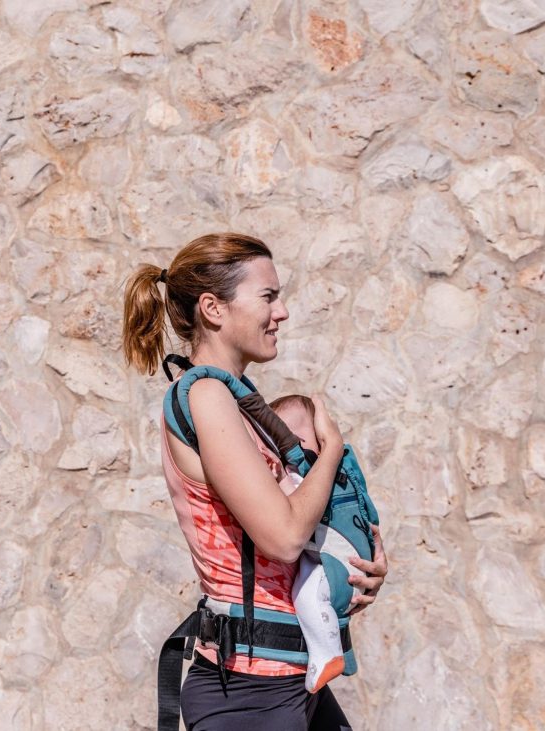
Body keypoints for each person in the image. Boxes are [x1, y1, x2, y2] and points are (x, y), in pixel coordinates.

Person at [122, 232, 387, 730]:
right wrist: (331, 450)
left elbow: (292, 542)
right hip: (248, 694)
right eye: (268, 296)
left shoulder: (241, 401)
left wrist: (350, 569)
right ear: (213, 309)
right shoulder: (204, 394)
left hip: (285, 682)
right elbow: (283, 536)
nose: (282, 311)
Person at [270, 394, 347, 694]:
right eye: (281, 444)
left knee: (308, 596)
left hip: (333, 562)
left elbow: (298, 508)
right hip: (327, 560)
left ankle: (328, 655)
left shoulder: (316, 478)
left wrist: (279, 481)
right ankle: (337, 652)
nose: (291, 451)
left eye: (299, 442)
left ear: (320, 443)